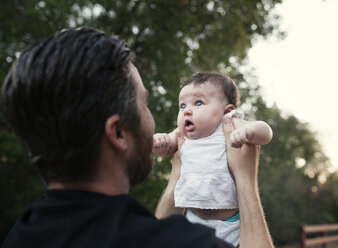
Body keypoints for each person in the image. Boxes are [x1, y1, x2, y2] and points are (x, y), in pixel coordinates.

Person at [1, 27, 274, 248]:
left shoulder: (23, 231)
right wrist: (245, 180)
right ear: (118, 133)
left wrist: (178, 173)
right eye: (144, 104)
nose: (154, 119)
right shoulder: (177, 242)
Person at [152, 72, 273, 246]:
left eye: (198, 103)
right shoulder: (183, 135)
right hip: (193, 217)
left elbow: (266, 132)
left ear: (227, 110)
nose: (187, 110)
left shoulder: (229, 123)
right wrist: (160, 141)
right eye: (182, 105)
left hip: (229, 223)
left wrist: (250, 132)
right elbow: (165, 149)